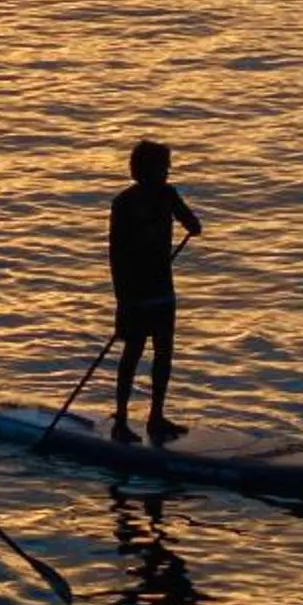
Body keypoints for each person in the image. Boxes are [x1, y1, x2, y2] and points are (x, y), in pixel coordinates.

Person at [109, 140, 201, 443]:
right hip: (135, 292)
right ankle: (120, 420)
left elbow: (192, 224)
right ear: (146, 170)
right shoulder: (124, 203)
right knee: (133, 351)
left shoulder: (168, 194)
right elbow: (116, 255)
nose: (168, 172)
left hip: (162, 288)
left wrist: (191, 222)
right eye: (163, 167)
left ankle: (156, 417)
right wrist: (122, 301)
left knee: (163, 351)